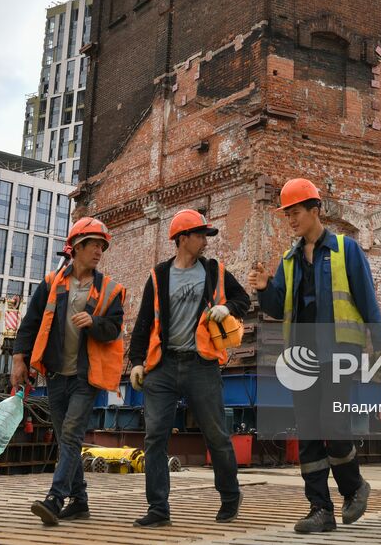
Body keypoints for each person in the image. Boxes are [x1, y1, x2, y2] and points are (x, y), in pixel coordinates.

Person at [249, 178, 381, 535]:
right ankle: (320, 509)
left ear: (314, 210)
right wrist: (265, 288)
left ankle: (354, 488)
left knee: (334, 424)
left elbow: (368, 299)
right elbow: (279, 308)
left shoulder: (345, 249)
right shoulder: (290, 259)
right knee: (308, 431)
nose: (291, 219)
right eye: (287, 214)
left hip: (340, 350)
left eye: (295, 212)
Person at [127, 209, 251, 527]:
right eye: (200, 235)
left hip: (202, 365)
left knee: (217, 435)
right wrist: (137, 361)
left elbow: (243, 300)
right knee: (155, 438)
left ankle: (229, 496)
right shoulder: (159, 276)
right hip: (162, 367)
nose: (204, 241)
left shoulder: (214, 271)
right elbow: (143, 323)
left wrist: (227, 306)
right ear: (183, 239)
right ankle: (158, 509)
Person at [12, 217, 126, 526]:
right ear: (76, 247)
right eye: (93, 245)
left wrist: (95, 323)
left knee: (72, 434)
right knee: (65, 440)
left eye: (102, 246)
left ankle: (55, 498)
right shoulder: (52, 283)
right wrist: (19, 359)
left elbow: (114, 328)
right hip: (55, 374)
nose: (99, 251)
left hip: (85, 377)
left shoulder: (110, 289)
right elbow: (31, 323)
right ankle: (80, 501)